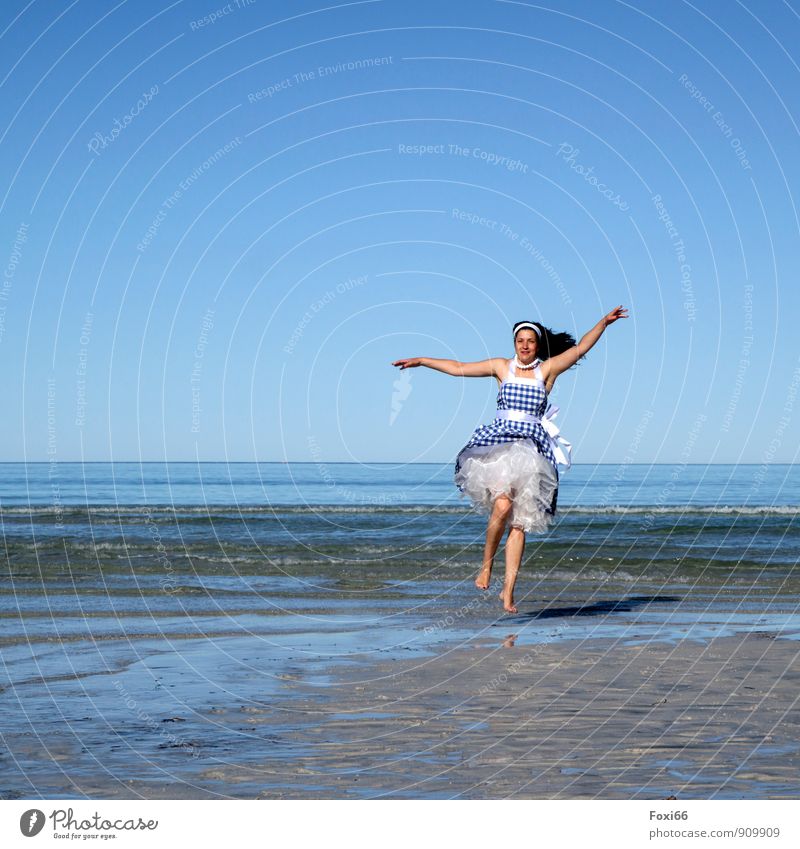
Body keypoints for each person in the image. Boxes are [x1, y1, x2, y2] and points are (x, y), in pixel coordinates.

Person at [392, 306, 628, 613]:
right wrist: (422, 361)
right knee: (502, 505)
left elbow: (581, 347)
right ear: (514, 343)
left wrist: (604, 324)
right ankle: (487, 566)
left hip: (531, 451)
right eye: (520, 341)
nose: (525, 345)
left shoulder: (548, 370)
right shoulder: (502, 367)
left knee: (520, 524)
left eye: (531, 341)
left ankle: (508, 590)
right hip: (499, 446)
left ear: (538, 345)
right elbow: (458, 367)